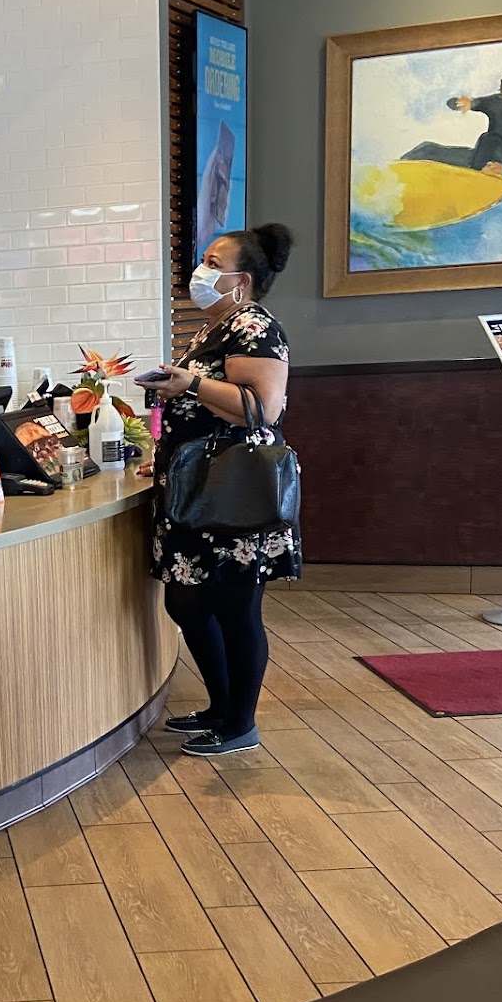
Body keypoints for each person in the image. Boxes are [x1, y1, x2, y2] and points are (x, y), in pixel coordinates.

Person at [143, 223, 301, 757]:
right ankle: (219, 706)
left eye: (214, 263)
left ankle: (240, 724)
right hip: (195, 488)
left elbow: (262, 408)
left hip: (233, 490)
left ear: (243, 280)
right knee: (186, 602)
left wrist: (190, 383)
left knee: (236, 609)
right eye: (203, 260)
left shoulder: (255, 326)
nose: (200, 271)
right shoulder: (215, 327)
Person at [401, 69, 502, 197]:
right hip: (480, 159)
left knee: (491, 141)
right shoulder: (498, 102)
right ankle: (396, 174)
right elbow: (469, 103)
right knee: (427, 149)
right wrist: (463, 103)